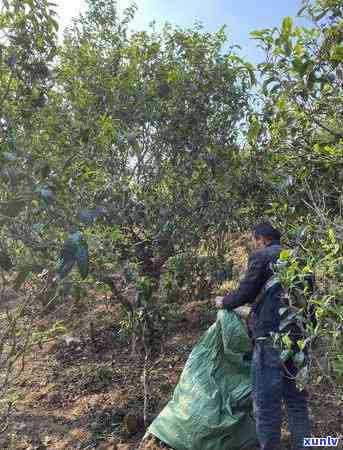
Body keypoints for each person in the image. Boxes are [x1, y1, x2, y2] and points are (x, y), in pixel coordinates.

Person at [214, 222, 310, 450]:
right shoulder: (300, 259)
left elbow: (245, 292)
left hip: (270, 340)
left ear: (261, 239)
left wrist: (223, 302)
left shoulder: (261, 257)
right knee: (297, 401)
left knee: (266, 405)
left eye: (254, 241)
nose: (254, 245)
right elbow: (308, 301)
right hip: (299, 339)